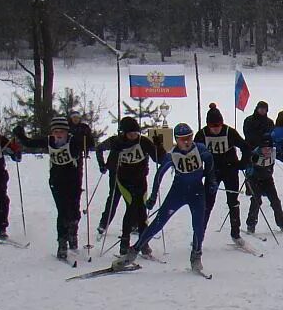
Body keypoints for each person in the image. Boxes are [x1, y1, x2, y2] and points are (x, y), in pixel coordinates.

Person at [116, 122, 214, 273]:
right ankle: (133, 251)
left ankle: (196, 256)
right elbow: (159, 175)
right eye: (182, 139)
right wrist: (153, 197)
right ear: (177, 139)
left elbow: (210, 162)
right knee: (158, 223)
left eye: (189, 137)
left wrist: (210, 180)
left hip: (197, 192)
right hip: (178, 192)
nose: (186, 142)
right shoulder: (172, 155)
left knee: (199, 225)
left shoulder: (200, 149)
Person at [14, 116, 83, 259]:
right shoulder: (49, 141)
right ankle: (62, 243)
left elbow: (86, 144)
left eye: (61, 131)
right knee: (62, 211)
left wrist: (83, 136)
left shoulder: (73, 141)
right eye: (55, 131)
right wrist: (20, 134)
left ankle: (72, 231)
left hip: (73, 182)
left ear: (66, 132)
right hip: (57, 181)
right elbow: (30, 143)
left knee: (74, 212)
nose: (58, 134)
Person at [96, 116, 160, 259]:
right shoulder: (116, 142)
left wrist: (158, 147)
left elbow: (159, 158)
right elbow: (99, 148)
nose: (133, 136)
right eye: (130, 133)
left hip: (140, 180)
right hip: (123, 181)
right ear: (123, 133)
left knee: (142, 212)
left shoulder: (143, 142)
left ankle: (144, 244)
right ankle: (124, 244)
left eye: (136, 133)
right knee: (131, 209)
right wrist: (103, 164)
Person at [196, 103, 248, 244]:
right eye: (212, 127)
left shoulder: (229, 132)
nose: (215, 129)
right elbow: (195, 154)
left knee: (233, 201)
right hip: (212, 172)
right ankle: (199, 234)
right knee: (207, 203)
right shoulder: (202, 134)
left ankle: (236, 233)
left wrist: (242, 163)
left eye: (218, 126)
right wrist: (199, 171)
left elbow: (245, 147)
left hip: (230, 170)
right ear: (208, 125)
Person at [243, 128, 283, 234]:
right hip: (254, 180)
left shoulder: (274, 152)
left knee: (275, 201)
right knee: (256, 201)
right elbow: (247, 168)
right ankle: (251, 225)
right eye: (265, 149)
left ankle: (282, 224)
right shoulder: (255, 154)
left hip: (267, 179)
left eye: (269, 148)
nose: (267, 151)